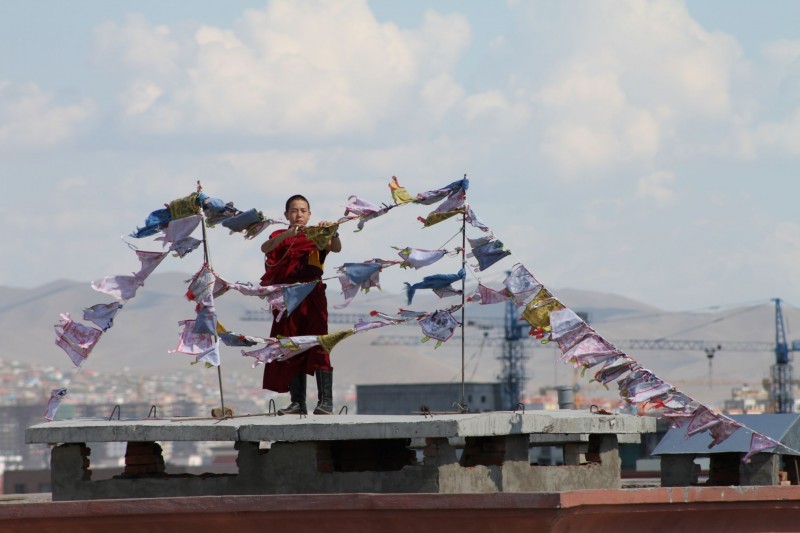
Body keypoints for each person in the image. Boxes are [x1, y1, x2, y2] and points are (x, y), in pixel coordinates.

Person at [260, 194, 342, 415]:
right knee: (291, 345)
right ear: (286, 214)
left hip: (313, 296)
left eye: (303, 211)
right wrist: (288, 234)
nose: (299, 215)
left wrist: (333, 232)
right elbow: (265, 248)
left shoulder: (317, 234)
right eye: (294, 211)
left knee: (319, 343)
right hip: (287, 299)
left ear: (309, 214)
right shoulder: (279, 235)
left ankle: (326, 402)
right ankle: (298, 403)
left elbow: (336, 247)